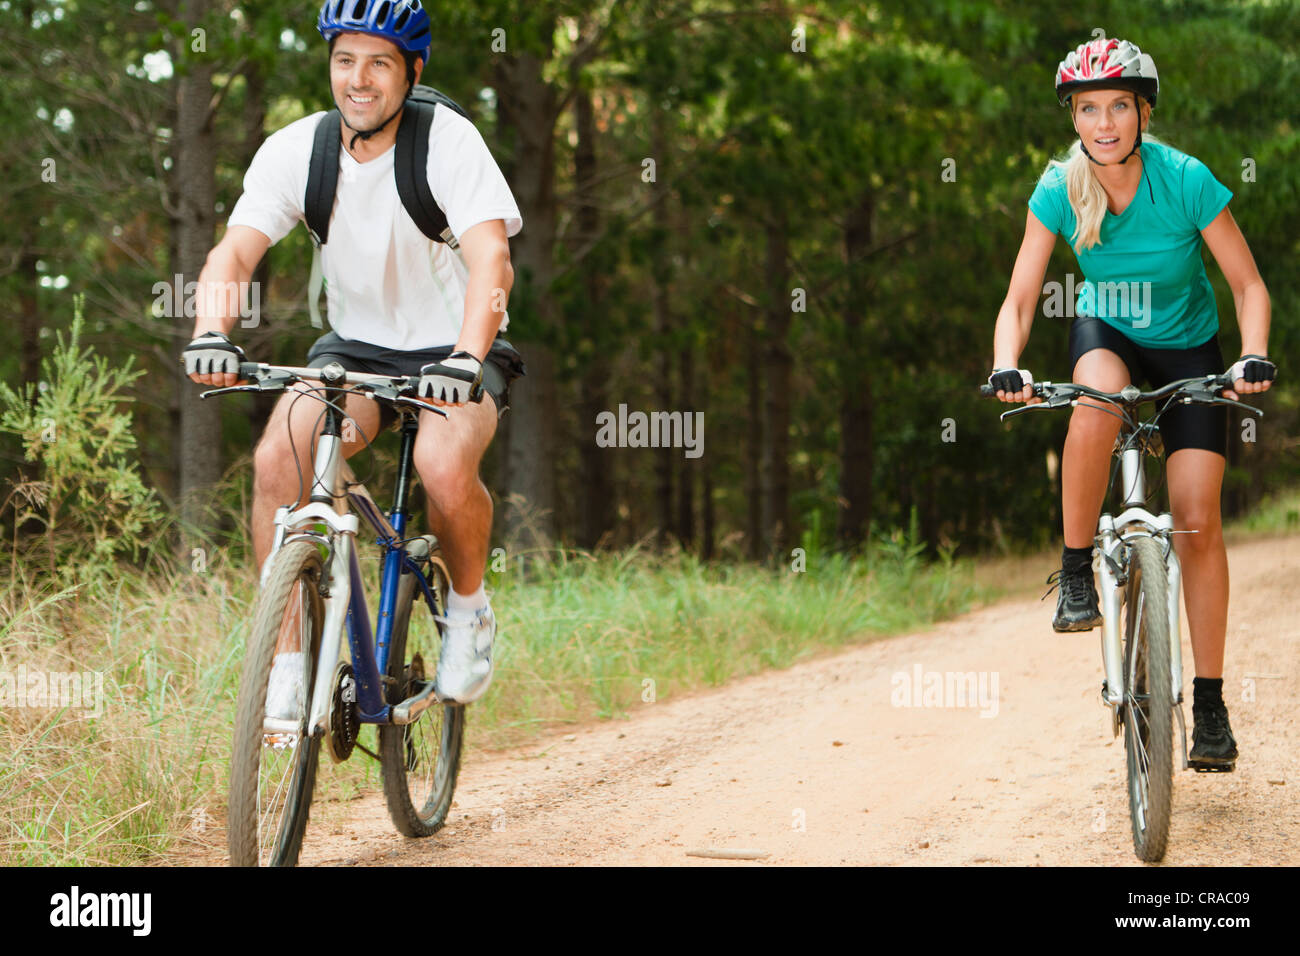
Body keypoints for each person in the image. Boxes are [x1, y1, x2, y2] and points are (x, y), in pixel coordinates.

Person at [182, 0, 524, 712]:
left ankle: (468, 612)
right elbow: (234, 251)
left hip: (453, 346)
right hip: (358, 346)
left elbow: (493, 258)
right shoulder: (298, 151)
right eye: (345, 60)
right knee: (280, 460)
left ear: (412, 71)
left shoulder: (447, 143)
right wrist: (211, 333)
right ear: (330, 65)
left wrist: (467, 355)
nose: (359, 79)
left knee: (439, 464)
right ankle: (288, 658)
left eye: (380, 62)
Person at [988, 37, 1276, 771]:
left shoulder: (1186, 180)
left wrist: (1250, 354)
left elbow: (1248, 285)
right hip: (1107, 328)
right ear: (1075, 118)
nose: (1105, 122)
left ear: (1143, 112)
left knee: (1199, 519)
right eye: (1090, 109)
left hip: (1189, 348)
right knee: (1097, 400)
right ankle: (1077, 567)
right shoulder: (1058, 187)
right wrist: (1006, 364)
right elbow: (1021, 295)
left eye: (1119, 106)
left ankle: (1207, 705)